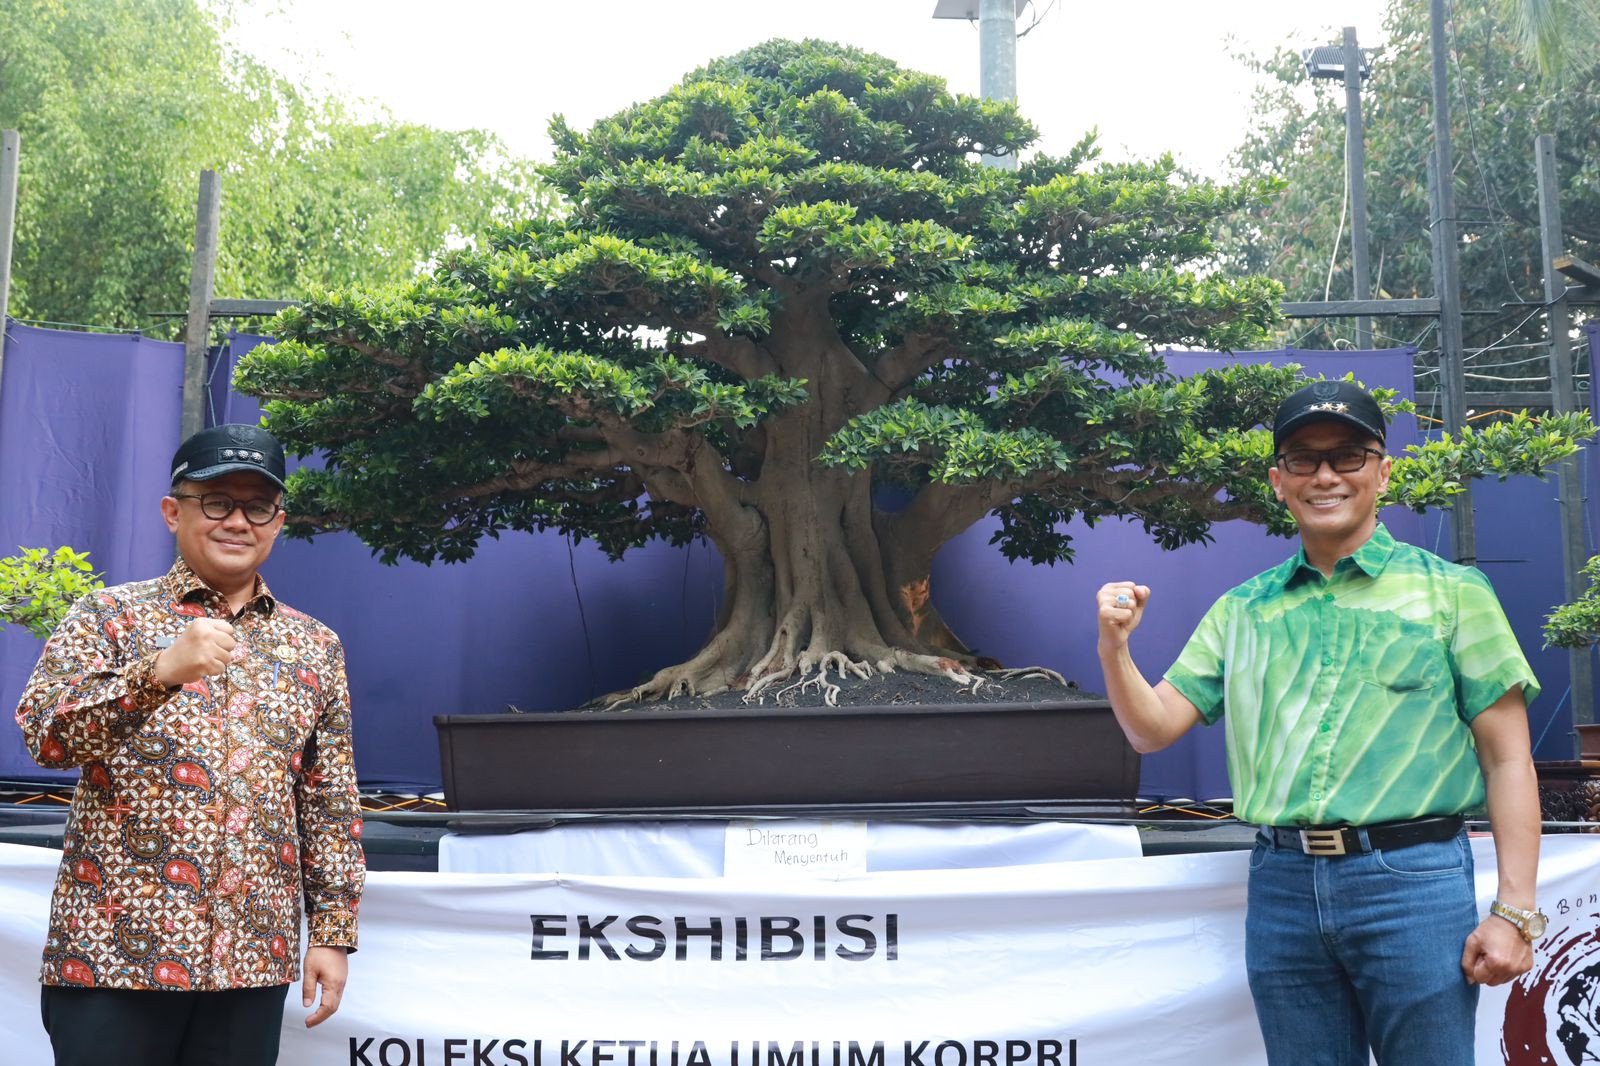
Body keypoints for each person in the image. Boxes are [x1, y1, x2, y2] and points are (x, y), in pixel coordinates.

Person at [1095, 380, 1544, 1066]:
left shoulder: (1453, 596)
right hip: (1282, 884)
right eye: (1303, 460)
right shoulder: (1241, 611)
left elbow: (1509, 759)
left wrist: (1515, 912)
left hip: (1413, 882)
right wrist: (1114, 648)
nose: (1325, 475)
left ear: (1383, 472)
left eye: (1348, 456)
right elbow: (1151, 729)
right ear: (1279, 482)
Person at [14, 424, 365, 1066]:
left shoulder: (316, 645)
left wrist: (333, 934)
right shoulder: (107, 617)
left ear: (277, 522)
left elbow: (330, 802)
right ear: (173, 512)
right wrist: (157, 674)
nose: (238, 520)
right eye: (217, 502)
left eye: (256, 505)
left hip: (251, 959)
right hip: (114, 955)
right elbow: (47, 735)